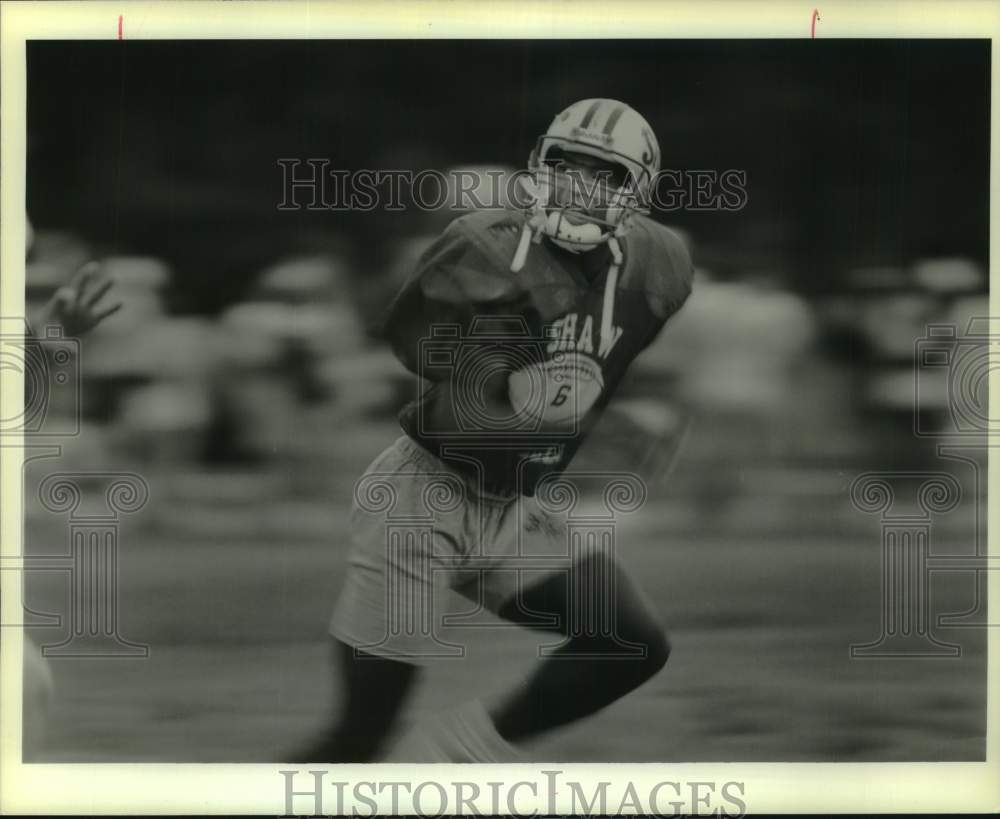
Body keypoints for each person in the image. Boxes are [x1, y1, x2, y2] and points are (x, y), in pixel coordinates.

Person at [295, 99, 695, 762]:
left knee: (629, 642)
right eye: (567, 167)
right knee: (357, 739)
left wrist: (624, 414)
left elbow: (610, 349)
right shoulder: (488, 245)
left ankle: (457, 753)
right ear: (540, 167)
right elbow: (415, 347)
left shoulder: (660, 263)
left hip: (515, 506)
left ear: (639, 191)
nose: (579, 187)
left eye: (605, 174)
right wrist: (505, 363)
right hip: (424, 499)